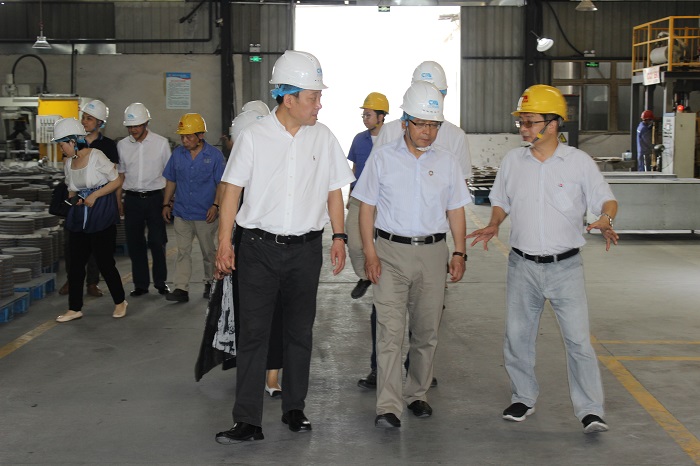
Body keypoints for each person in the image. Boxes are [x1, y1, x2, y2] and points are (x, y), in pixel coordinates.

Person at [214, 50, 354, 444]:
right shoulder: (254, 137)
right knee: (253, 334)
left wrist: (339, 236)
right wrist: (225, 243)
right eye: (313, 97)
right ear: (288, 98)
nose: (319, 104)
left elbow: (334, 190)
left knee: (299, 332)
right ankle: (248, 420)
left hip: (305, 251)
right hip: (258, 249)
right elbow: (231, 192)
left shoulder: (323, 137)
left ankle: (295, 408)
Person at [466, 84, 619, 434]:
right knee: (517, 337)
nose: (523, 128)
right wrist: (494, 222)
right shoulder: (513, 162)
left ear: (553, 124)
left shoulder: (578, 163)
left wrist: (606, 218)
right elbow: (500, 200)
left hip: (566, 268)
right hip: (522, 265)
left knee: (578, 342)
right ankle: (523, 397)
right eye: (521, 121)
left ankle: (590, 410)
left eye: (529, 121)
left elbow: (606, 199)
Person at [352, 81, 470, 429]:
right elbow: (366, 208)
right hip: (390, 253)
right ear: (405, 122)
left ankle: (417, 393)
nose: (427, 132)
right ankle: (388, 405)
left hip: (433, 254)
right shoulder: (383, 158)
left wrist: (459, 252)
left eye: (434, 125)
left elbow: (456, 209)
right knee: (390, 331)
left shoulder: (447, 162)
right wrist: (370, 253)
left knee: (426, 331)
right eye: (421, 124)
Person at [52, 117, 127, 323]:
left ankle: (120, 301)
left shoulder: (96, 156)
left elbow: (116, 180)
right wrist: (73, 199)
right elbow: (71, 189)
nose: (61, 149)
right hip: (80, 215)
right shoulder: (69, 163)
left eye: (62, 144)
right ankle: (74, 308)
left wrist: (95, 195)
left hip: (100, 213)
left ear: (73, 141)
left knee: (105, 262)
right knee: (76, 264)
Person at [162, 113, 225, 303]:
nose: (184, 140)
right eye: (182, 136)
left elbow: (221, 184)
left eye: (189, 136)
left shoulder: (214, 156)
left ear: (200, 136)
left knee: (208, 252)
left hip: (205, 214)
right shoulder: (177, 154)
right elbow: (171, 180)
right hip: (182, 212)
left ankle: (210, 283)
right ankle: (181, 288)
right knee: (183, 252)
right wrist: (166, 203)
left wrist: (216, 205)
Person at [58, 99, 119, 298]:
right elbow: (69, 176)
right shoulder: (71, 147)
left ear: (100, 122)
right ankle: (73, 281)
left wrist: (109, 200)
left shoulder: (105, 147)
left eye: (90, 118)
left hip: (98, 204)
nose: (85, 121)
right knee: (73, 247)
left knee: (98, 249)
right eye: (83, 117)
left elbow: (114, 177)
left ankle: (92, 282)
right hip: (78, 203)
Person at [116, 103, 172, 297]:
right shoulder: (122, 145)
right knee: (135, 243)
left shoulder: (161, 143)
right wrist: (118, 201)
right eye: (130, 126)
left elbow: (170, 176)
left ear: (146, 123)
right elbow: (120, 175)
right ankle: (141, 285)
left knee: (157, 241)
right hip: (132, 200)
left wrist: (167, 202)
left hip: (155, 199)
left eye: (137, 126)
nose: (133, 130)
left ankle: (160, 282)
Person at [347, 92, 388, 300]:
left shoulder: (394, 139)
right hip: (360, 198)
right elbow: (355, 168)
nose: (365, 119)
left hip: (385, 200)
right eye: (363, 115)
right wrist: (350, 194)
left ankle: (386, 281)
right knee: (355, 243)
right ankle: (364, 276)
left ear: (381, 116)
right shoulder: (358, 139)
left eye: (368, 115)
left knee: (384, 245)